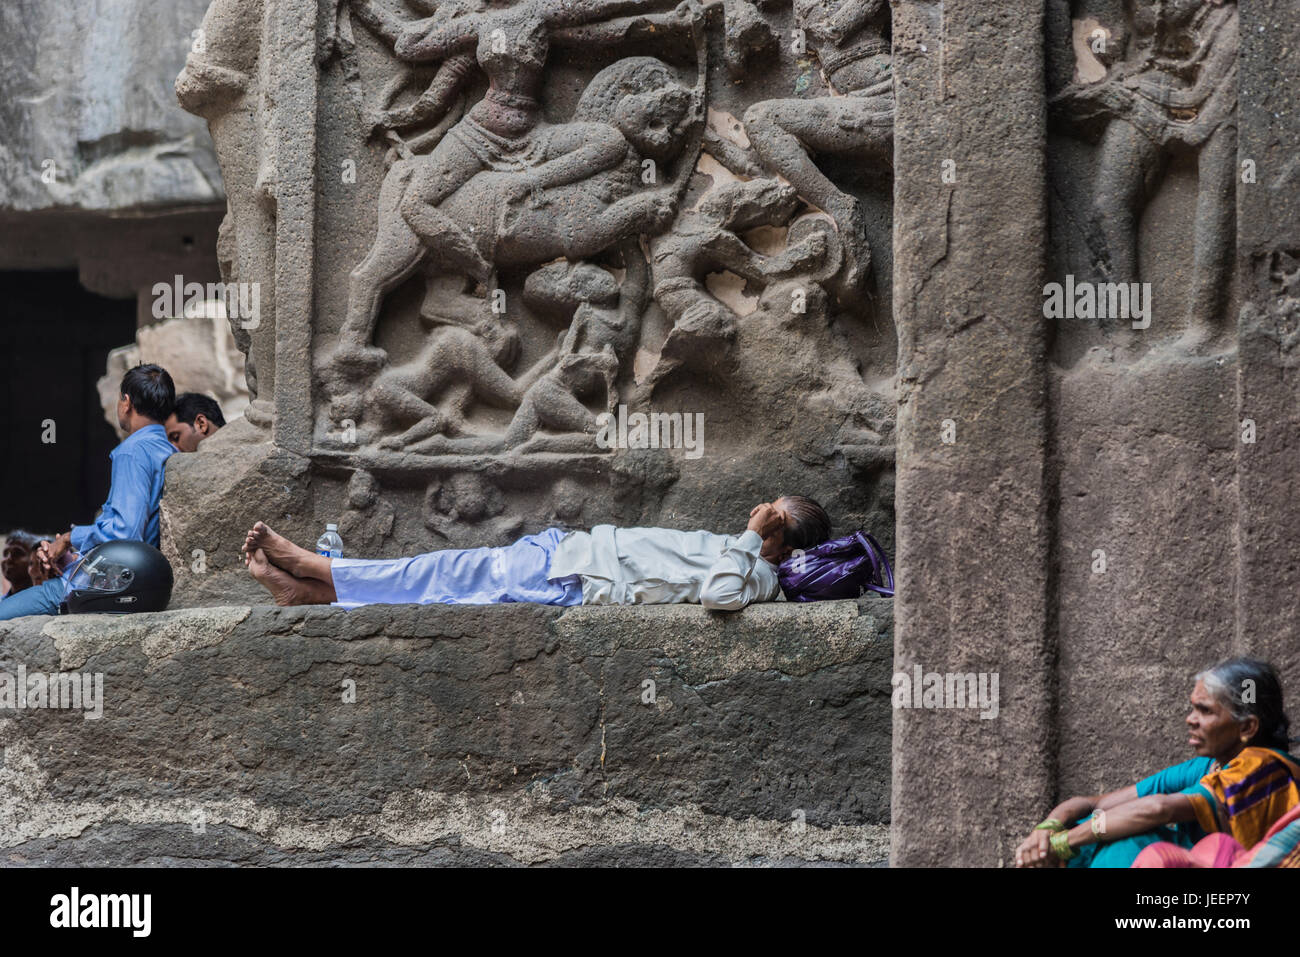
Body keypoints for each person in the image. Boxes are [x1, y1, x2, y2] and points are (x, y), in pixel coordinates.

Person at [243, 495, 831, 612]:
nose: (757, 511)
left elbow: (716, 595)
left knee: (442, 576)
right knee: (443, 583)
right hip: (572, 554)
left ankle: (319, 571)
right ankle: (315, 593)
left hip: (573, 578)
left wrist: (756, 538)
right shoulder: (742, 553)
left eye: (772, 514)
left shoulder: (756, 575)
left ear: (781, 544)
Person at [1015, 657, 1299, 868]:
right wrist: (1047, 829)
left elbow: (1157, 809)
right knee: (1103, 828)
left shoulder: (1263, 768)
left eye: (1204, 710)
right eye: (1192, 707)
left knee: (1123, 837)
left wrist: (1063, 843)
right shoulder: (1208, 767)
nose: (1190, 719)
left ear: (1247, 727)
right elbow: (1094, 805)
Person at [0, 364, 177, 621]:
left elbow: (125, 533)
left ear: (126, 402)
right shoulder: (169, 450)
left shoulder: (133, 451)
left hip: (108, 585)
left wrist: (69, 538)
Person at [1, 531, 42, 598]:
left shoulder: (43, 602)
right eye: (5, 553)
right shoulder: (3, 603)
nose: (8, 559)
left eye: (17, 553)